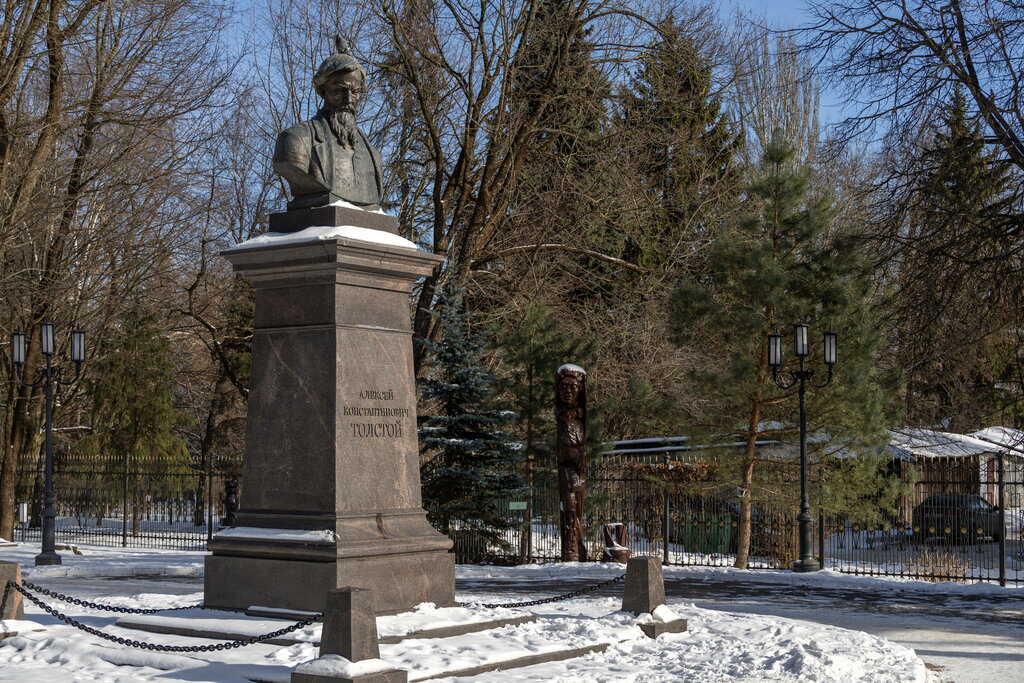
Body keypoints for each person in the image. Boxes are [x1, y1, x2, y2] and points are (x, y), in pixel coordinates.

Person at [273, 35, 383, 210]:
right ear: (323, 90)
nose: (348, 100)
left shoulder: (373, 155)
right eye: (339, 90)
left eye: (355, 91)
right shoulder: (297, 139)